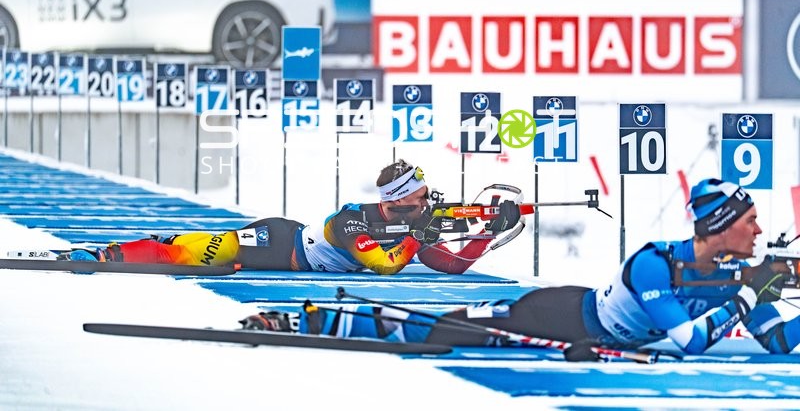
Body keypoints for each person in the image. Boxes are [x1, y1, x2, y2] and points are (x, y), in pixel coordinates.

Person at [242, 178, 800, 359]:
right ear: (721, 226)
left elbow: (778, 341)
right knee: (441, 331)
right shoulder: (655, 262)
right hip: (559, 316)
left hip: (594, 335)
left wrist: (759, 293)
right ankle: (305, 320)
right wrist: (750, 294)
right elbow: (688, 341)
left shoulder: (738, 275)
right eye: (750, 220)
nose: (758, 231)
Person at [63, 159, 522, 275]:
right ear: (397, 201)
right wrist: (416, 238)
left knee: (199, 251)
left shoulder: (415, 224)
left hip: (290, 249)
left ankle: (155, 243)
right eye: (420, 198)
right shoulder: (351, 221)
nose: (428, 203)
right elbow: (381, 265)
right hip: (279, 244)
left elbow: (452, 265)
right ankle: (105, 256)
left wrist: (488, 231)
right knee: (194, 254)